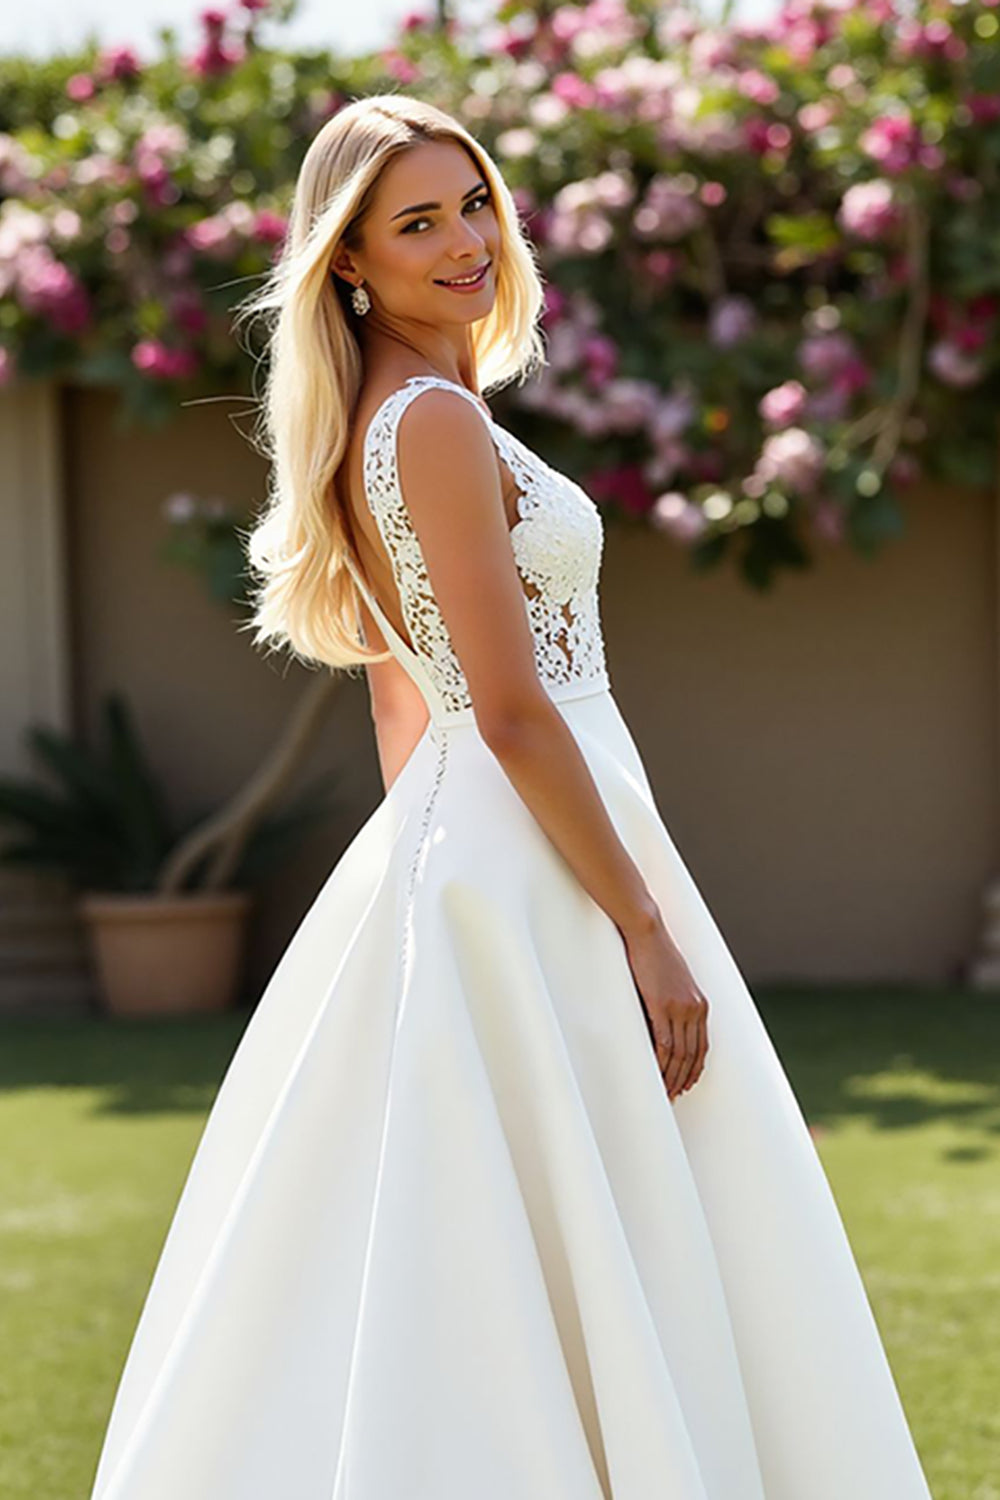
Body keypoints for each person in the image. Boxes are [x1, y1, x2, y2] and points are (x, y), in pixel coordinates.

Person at [86, 94, 935, 1500]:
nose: (465, 239)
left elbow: (398, 694)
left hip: (492, 839)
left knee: (558, 1195)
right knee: (585, 1194)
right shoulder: (426, 424)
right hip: (540, 841)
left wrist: (434, 867)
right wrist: (643, 926)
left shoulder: (412, 411)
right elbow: (514, 708)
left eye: (471, 201)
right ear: (348, 263)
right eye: (416, 223)